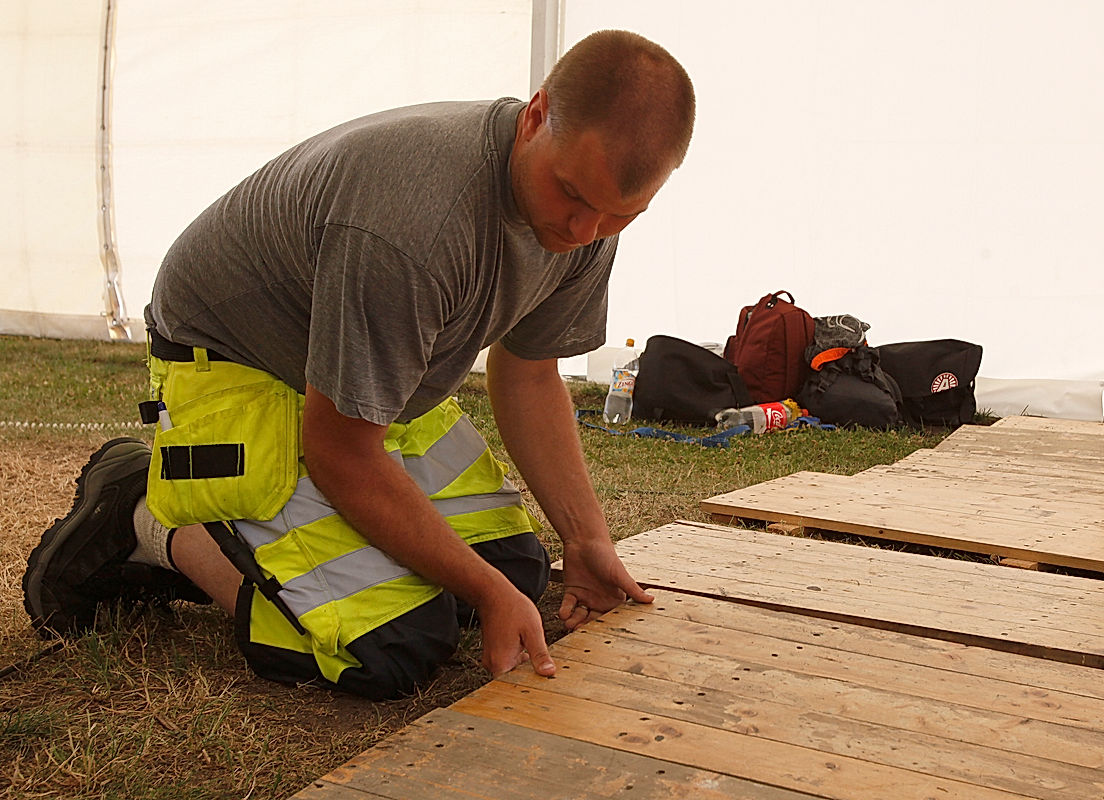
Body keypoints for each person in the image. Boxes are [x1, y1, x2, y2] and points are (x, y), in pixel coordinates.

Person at [23, 30, 694, 700]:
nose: (582, 232)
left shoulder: (587, 219)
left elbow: (527, 373)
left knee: (516, 573)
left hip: (362, 387)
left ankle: (281, 542)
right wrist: (487, 593)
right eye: (571, 193)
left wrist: (586, 538)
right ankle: (148, 516)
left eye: (621, 215)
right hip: (239, 366)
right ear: (536, 116)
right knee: (394, 648)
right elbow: (341, 450)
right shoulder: (416, 222)